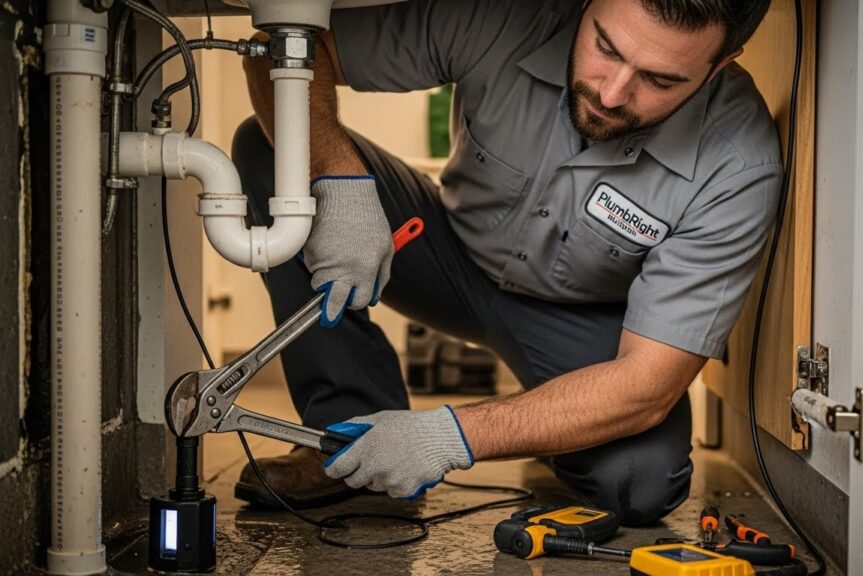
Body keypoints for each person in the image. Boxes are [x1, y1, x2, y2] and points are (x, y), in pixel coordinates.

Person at [232, 0, 779, 526]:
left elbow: (646, 385)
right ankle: (344, 437)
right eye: (605, 46)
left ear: (719, 66)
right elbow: (280, 48)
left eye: (660, 80)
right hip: (440, 254)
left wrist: (451, 436)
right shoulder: (503, 14)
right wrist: (335, 178)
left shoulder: (738, 162)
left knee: (642, 482)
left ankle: (552, 429)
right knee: (270, 149)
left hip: (577, 322)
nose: (612, 93)